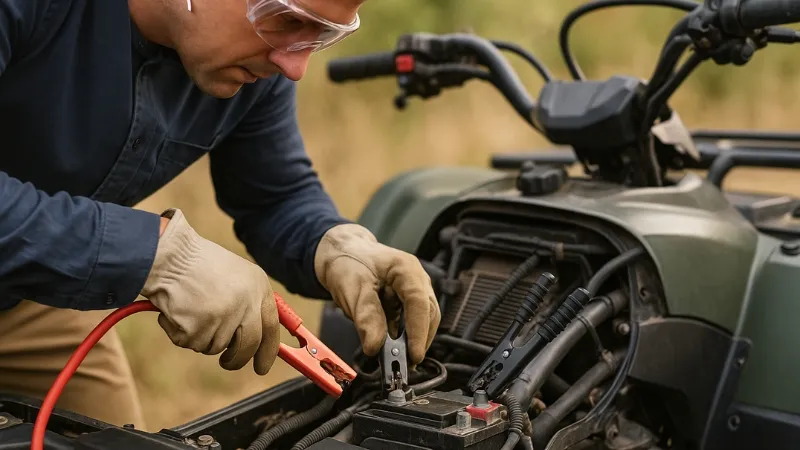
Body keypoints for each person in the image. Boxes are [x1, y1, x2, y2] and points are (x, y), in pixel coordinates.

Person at [0, 0, 441, 430]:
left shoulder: (257, 72)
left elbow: (275, 195)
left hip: (26, 299)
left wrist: (333, 245)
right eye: (287, 19)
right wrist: (152, 253)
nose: (295, 67)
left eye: (322, 35)